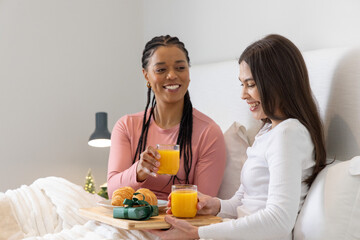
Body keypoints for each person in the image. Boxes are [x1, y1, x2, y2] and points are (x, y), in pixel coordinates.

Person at [151, 34, 327, 240]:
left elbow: (279, 221)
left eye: (250, 84)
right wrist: (215, 205)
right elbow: (245, 202)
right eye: (242, 84)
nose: (243, 95)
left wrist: (198, 233)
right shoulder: (268, 132)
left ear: (278, 83)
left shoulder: (288, 134)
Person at [107, 35, 226, 200]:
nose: (172, 75)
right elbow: (112, 192)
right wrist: (138, 171)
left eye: (180, 68)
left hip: (178, 223)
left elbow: (203, 204)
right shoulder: (126, 126)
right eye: (161, 70)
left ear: (188, 73)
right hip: (128, 221)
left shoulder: (208, 132)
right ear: (146, 75)